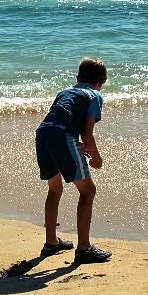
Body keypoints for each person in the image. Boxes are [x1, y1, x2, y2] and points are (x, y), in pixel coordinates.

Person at [35, 57, 112, 263]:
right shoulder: (94, 95)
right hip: (62, 136)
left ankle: (51, 243)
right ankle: (84, 249)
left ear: (78, 77)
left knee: (55, 189)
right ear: (101, 82)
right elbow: (87, 134)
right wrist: (97, 158)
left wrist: (71, 142)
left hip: (43, 134)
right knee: (88, 190)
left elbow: (59, 119)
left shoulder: (65, 92)